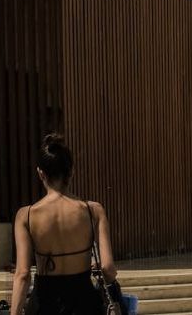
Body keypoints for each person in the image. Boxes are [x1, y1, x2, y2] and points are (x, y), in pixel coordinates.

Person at [10, 133, 118, 315]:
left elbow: (22, 274)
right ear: (71, 171)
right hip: (85, 304)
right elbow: (108, 268)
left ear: (40, 173)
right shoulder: (94, 211)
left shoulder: (26, 215)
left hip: (44, 304)